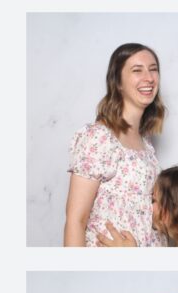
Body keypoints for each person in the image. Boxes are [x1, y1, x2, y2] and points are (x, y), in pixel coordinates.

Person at [64, 43, 167, 247]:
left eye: (153, 69)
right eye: (137, 70)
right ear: (118, 82)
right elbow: (76, 220)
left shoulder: (146, 143)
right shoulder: (99, 137)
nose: (149, 78)